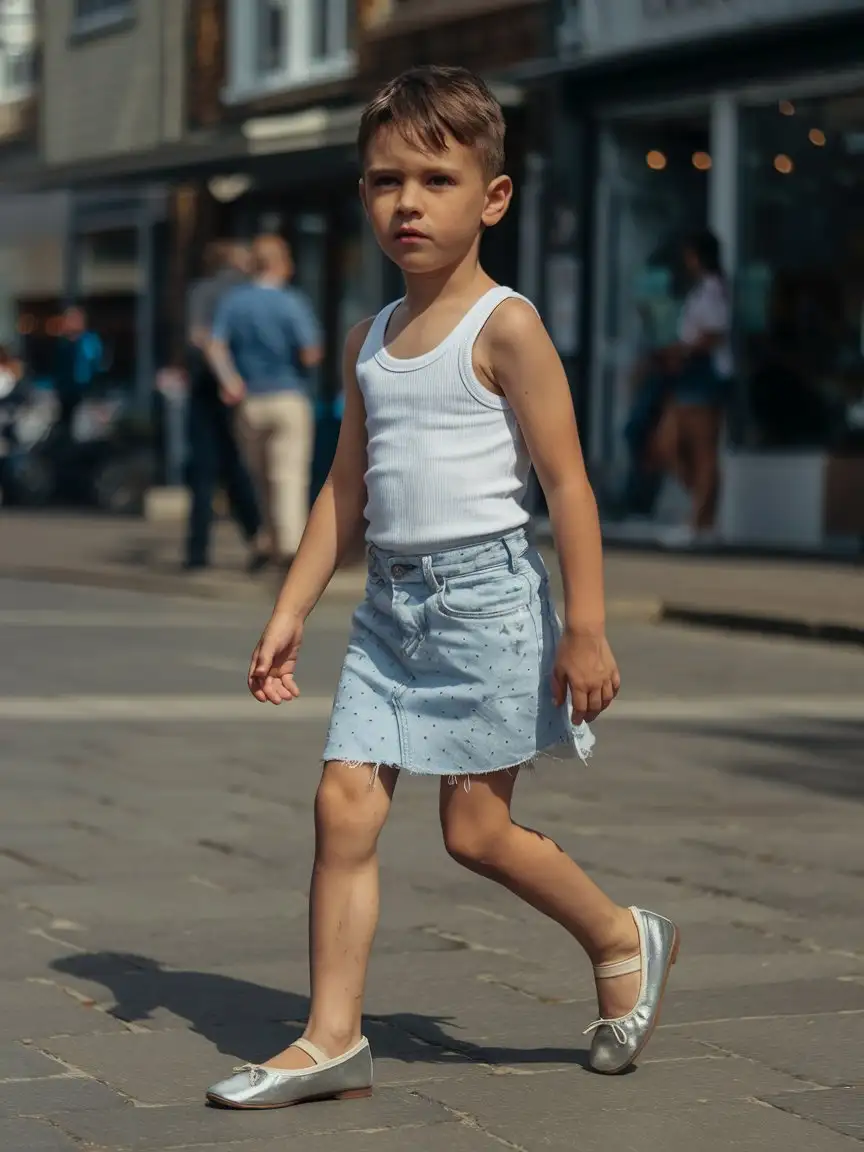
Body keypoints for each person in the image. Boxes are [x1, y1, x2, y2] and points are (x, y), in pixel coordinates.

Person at [205, 65, 679, 1110]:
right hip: (387, 612)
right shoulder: (368, 339)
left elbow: (568, 484)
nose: (407, 203)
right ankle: (331, 1036)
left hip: (489, 606)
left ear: (492, 198)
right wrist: (289, 609)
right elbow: (344, 488)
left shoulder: (505, 327)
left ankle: (617, 933)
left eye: (434, 179)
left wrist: (587, 628)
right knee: (342, 807)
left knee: (474, 833)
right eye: (384, 182)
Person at [207, 234, 323, 568]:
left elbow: (215, 347)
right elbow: (310, 353)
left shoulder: (234, 302)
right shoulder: (292, 302)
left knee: (260, 476)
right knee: (288, 474)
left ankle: (267, 538)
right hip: (288, 394)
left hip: (250, 400)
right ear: (281, 264)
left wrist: (231, 381)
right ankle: (288, 546)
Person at [184, 241, 264, 572]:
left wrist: (221, 372)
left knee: (205, 469)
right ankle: (257, 537)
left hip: (210, 385)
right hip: (249, 386)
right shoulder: (249, 292)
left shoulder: (203, 291)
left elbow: (198, 335)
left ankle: (198, 550)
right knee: (237, 467)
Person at [650, 231, 733, 546]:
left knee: (703, 450)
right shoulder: (699, 291)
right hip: (687, 375)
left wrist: (681, 351)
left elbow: (712, 335)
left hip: (703, 374)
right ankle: (703, 508)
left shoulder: (713, 290)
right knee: (668, 443)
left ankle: (700, 521)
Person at [53, 306, 103, 441]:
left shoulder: (90, 341)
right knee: (67, 426)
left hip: (86, 391)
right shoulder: (63, 344)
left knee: (87, 429)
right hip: (67, 392)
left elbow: (95, 365)